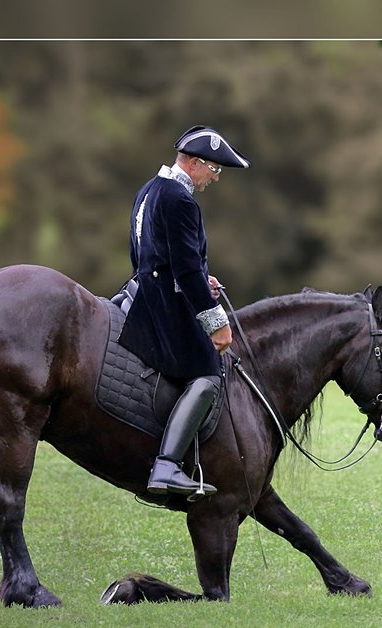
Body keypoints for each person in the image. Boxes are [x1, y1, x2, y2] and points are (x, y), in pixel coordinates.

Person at [119, 125, 251, 498]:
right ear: (194, 163)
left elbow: (147, 255)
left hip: (145, 291)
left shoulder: (151, 188)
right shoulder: (180, 199)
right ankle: (166, 465)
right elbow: (186, 269)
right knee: (209, 373)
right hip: (164, 306)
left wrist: (200, 279)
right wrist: (216, 321)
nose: (216, 177)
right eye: (214, 169)